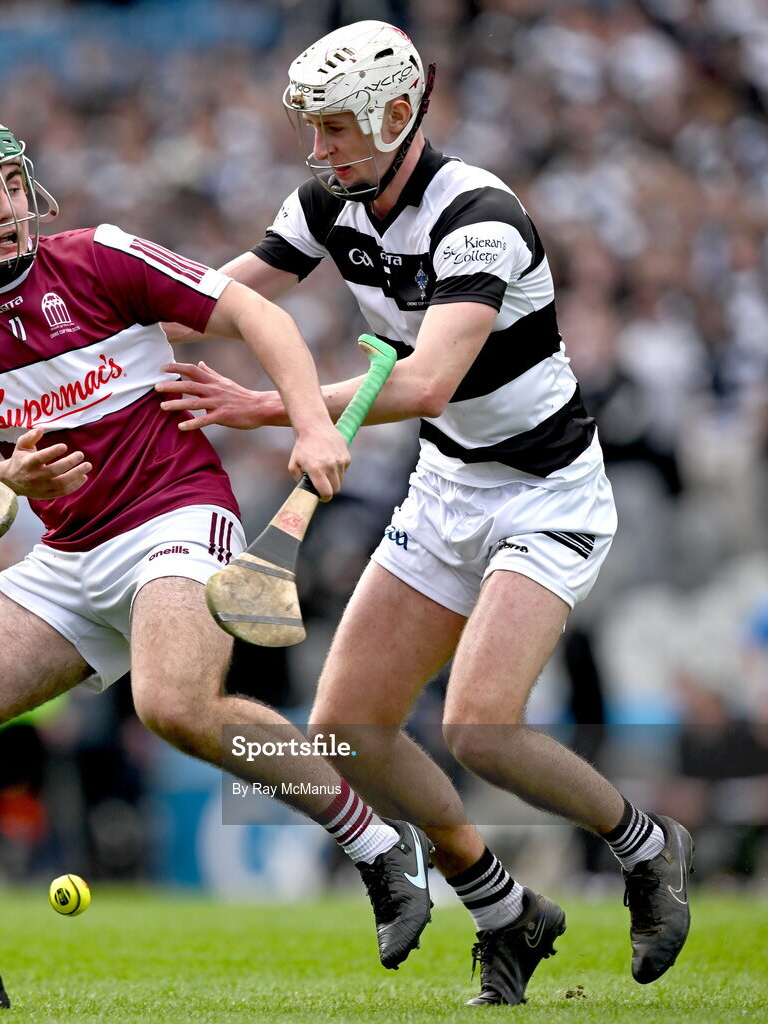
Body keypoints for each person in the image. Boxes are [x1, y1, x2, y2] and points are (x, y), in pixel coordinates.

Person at [158, 21, 694, 1006]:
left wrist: (266, 404)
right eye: (310, 130)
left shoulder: (480, 217)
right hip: (447, 486)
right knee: (350, 723)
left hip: (546, 490)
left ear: (397, 114)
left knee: (482, 726)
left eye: (335, 129)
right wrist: (94, 309)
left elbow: (429, 380)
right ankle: (504, 910)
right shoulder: (330, 200)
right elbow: (217, 295)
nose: (316, 151)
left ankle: (647, 845)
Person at [0, 121, 434, 1011]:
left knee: (172, 703)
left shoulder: (98, 256)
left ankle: (378, 847)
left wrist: (311, 421)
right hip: (66, 549)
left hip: (174, 512)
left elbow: (256, 313)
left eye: (10, 185)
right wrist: (9, 475)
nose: (4, 209)